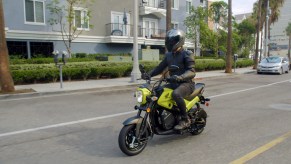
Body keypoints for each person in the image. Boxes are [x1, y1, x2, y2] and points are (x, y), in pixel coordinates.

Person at [143, 29, 196, 130]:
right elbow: (159, 68)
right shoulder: (169, 55)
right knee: (156, 92)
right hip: (173, 82)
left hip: (187, 84)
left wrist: (181, 77)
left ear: (179, 41)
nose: (169, 43)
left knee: (176, 94)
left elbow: (192, 71)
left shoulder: (187, 54)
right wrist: (148, 74)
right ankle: (162, 119)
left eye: (172, 41)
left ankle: (185, 119)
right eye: (168, 41)